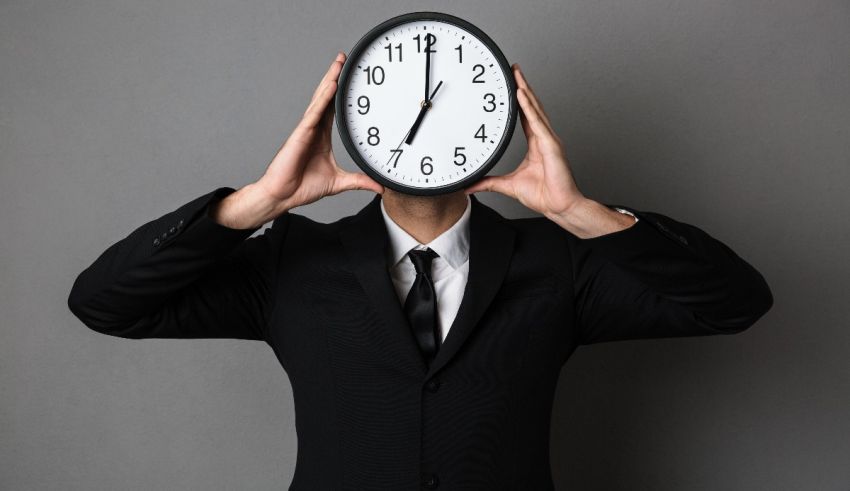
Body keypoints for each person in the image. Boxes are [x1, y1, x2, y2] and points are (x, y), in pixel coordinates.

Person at [67, 52, 773, 490]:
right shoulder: (289, 263)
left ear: (490, 129)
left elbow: (734, 301)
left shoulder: (558, 263)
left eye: (448, 110)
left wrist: (580, 210)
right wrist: (256, 203)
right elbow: (105, 302)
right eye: (405, 111)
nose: (428, 125)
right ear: (360, 130)